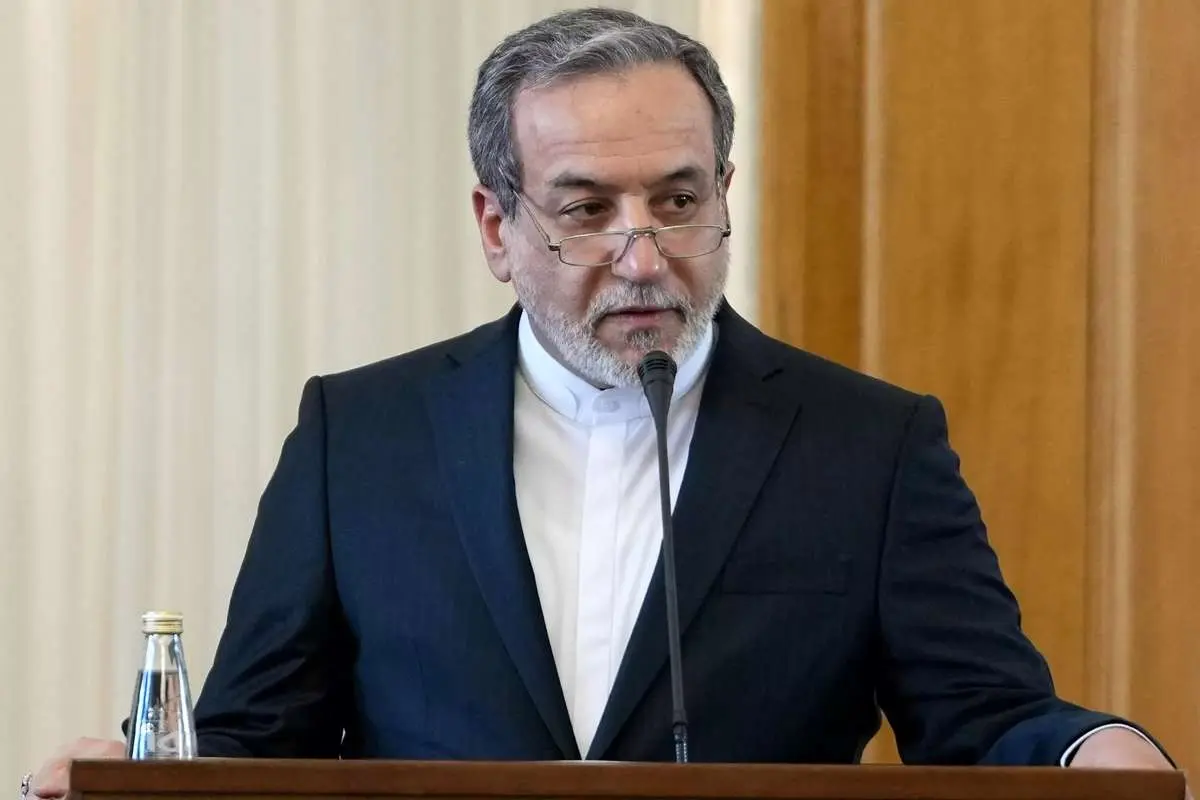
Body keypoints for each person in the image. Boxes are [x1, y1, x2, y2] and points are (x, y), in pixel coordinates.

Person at [25, 6, 1188, 798]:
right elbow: (255, 740)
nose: (643, 256)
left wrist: (1092, 748)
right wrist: (132, 776)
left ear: (724, 192)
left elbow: (983, 718)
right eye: (586, 210)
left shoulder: (870, 444)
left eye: (678, 201)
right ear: (497, 226)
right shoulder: (360, 438)